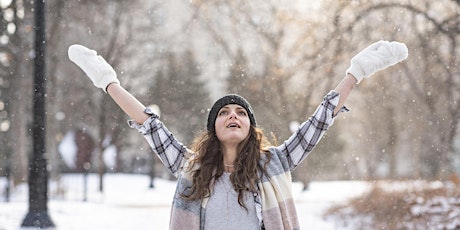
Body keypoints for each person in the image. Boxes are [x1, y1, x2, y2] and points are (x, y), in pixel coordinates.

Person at [68, 40, 408, 230]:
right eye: (225, 113)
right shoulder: (192, 168)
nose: (233, 115)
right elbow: (149, 124)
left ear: (250, 127)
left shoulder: (275, 163)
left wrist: (356, 72)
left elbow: (319, 121)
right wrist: (107, 80)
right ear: (213, 128)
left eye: (241, 113)